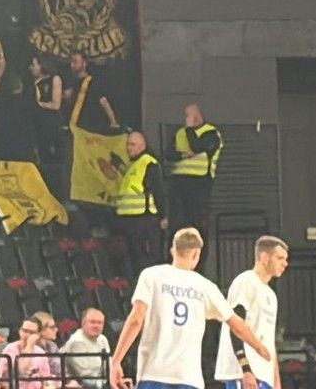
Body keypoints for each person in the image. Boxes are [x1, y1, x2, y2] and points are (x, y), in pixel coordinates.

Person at [109, 228, 271, 389]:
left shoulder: (151, 275)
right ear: (196, 254)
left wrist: (116, 361)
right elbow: (237, 325)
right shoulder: (205, 286)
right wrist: (260, 347)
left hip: (153, 373)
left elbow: (136, 320)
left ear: (173, 250)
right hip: (189, 378)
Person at [215, 236, 288, 389]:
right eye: (280, 258)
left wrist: (276, 381)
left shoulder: (270, 294)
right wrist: (245, 368)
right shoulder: (246, 281)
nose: (285, 263)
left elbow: (269, 342)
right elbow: (235, 325)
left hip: (263, 373)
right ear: (264, 257)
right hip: (244, 372)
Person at [167, 104, 222, 242]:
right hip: (178, 182)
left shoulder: (211, 133)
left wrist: (190, 129)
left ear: (196, 116)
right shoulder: (180, 133)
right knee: (177, 223)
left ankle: (199, 254)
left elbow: (196, 146)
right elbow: (169, 153)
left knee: (197, 223)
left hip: (199, 182)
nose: (185, 118)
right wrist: (183, 155)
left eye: (188, 115)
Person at [116, 131, 168, 277]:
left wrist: (163, 215)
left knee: (147, 260)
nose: (128, 148)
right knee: (135, 259)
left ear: (142, 146)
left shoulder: (148, 163)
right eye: (128, 144)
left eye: (132, 144)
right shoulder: (132, 165)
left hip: (144, 219)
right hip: (129, 220)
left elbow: (158, 190)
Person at [65, 52, 120, 133]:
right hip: (77, 127)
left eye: (75, 62)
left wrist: (113, 121)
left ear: (84, 63)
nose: (72, 65)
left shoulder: (92, 82)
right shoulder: (72, 84)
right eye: (71, 62)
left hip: (91, 127)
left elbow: (104, 102)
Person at [59, 308, 110, 389]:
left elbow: (109, 366)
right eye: (92, 322)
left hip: (100, 382)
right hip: (80, 384)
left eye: (99, 323)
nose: (96, 326)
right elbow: (87, 376)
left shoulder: (103, 339)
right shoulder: (76, 342)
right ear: (83, 323)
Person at [0, 318, 51, 389]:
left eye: (31, 333)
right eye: (25, 331)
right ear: (20, 331)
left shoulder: (41, 353)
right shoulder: (9, 349)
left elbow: (46, 380)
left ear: (38, 335)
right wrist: (29, 346)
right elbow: (22, 370)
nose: (27, 335)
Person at [30, 55, 65, 163]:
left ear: (42, 66)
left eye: (34, 65)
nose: (31, 67)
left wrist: (40, 104)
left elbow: (56, 104)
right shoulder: (33, 83)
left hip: (50, 123)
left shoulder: (54, 79)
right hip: (37, 123)